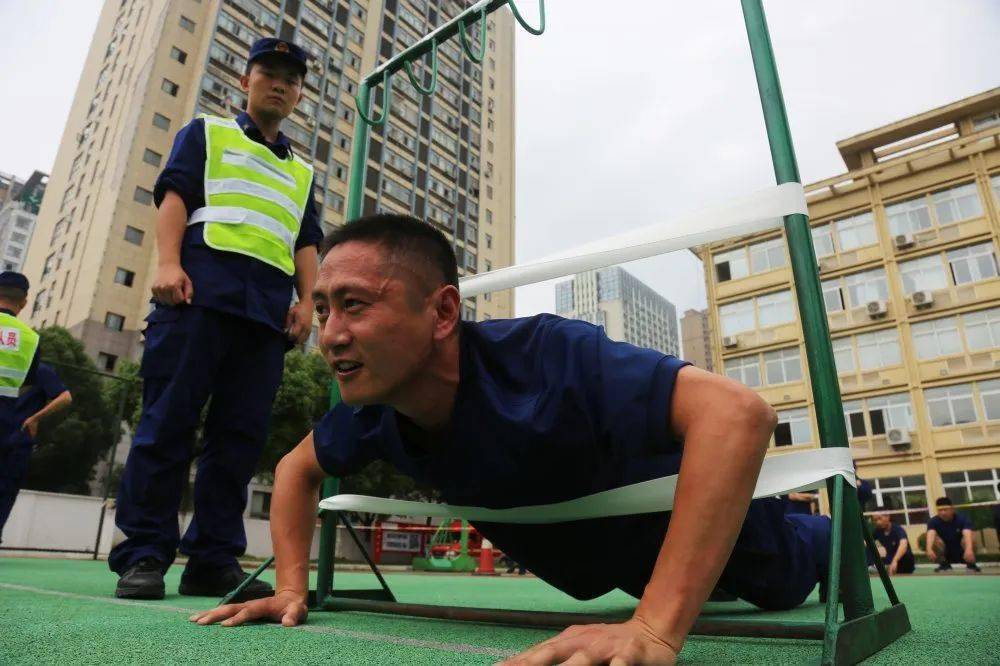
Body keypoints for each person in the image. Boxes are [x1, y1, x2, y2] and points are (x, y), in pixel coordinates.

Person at [190, 215, 833, 663]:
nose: (328, 334)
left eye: (354, 305)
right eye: (324, 308)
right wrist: (293, 588)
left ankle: (837, 532)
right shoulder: (375, 409)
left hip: (750, 552)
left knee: (796, 570)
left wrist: (655, 631)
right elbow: (294, 470)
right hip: (638, 572)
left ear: (443, 312)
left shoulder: (549, 356)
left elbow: (739, 414)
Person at [109, 38, 323, 601]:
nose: (279, 84)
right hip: (197, 298)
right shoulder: (207, 132)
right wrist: (169, 262)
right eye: (268, 74)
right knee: (167, 424)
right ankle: (146, 553)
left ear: (299, 95)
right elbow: (175, 196)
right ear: (246, 82)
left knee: (239, 440)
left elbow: (305, 243)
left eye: (290, 79)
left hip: (265, 320)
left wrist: (308, 304)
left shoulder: (303, 172)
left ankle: (212, 558)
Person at [0, 273, 73, 542]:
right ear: (25, 302)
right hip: (7, 420)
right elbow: (28, 379)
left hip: (15, 430)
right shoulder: (30, 338)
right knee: (5, 487)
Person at [925, 497, 981, 573]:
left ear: (952, 509)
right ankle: (944, 565)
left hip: (963, 551)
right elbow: (931, 534)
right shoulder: (933, 521)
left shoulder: (962, 519)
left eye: (945, 510)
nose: (943, 513)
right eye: (940, 510)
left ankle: (971, 564)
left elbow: (967, 534)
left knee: (969, 539)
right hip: (946, 552)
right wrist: (929, 549)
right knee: (934, 541)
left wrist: (969, 549)